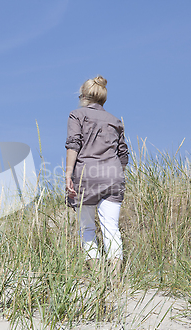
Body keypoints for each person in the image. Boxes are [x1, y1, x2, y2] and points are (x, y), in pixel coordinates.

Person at [65, 75, 129, 271]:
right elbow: (123, 155)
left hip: (86, 175)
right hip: (113, 176)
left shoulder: (77, 115)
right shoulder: (115, 121)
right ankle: (116, 277)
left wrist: (68, 174)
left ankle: (97, 276)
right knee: (111, 227)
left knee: (87, 228)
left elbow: (73, 145)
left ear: (83, 95)